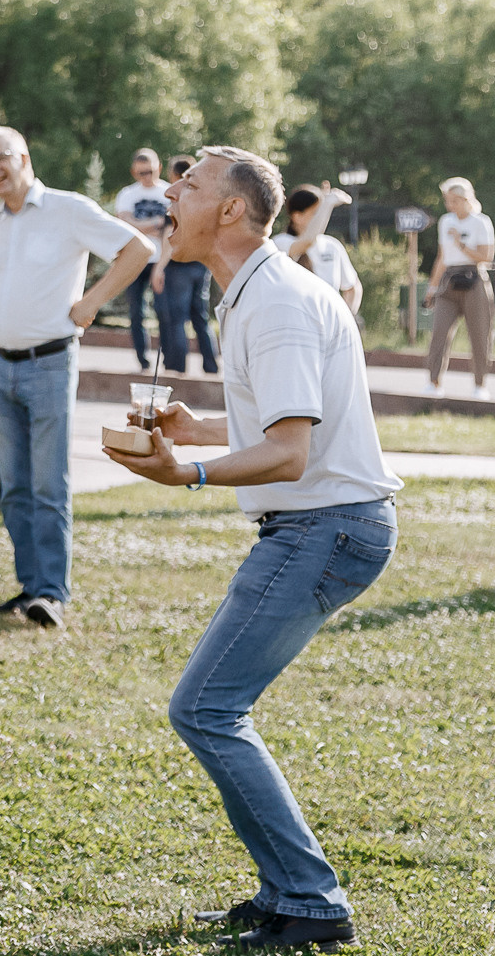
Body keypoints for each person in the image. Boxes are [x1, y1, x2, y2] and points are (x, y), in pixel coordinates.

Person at [103, 147, 400, 952]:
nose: (169, 191)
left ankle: (311, 900)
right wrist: (192, 429)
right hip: (320, 524)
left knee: (205, 708)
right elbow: (276, 423)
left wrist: (188, 470)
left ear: (231, 211)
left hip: (326, 525)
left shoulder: (272, 303)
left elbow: (290, 453)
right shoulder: (253, 291)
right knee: (212, 708)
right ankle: (285, 893)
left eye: (189, 185)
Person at [0, 125, 154, 631]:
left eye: (0, 157)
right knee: (16, 488)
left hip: (50, 362)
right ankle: (30, 587)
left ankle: (52, 593)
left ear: (24, 156)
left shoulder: (69, 209)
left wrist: (91, 301)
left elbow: (138, 250)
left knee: (49, 485)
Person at [426, 176, 492, 400]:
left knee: (480, 334)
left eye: (454, 200)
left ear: (465, 199)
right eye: (447, 200)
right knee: (439, 333)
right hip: (449, 281)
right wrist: (432, 288)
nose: (449, 205)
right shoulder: (445, 221)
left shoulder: (481, 222)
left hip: (474, 279)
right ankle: (434, 383)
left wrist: (461, 244)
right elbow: (441, 257)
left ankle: (480, 384)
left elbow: (486, 256)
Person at [159, 154, 221, 376]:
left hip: (179, 266)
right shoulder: (205, 199)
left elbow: (169, 235)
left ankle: (177, 367)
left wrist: (159, 268)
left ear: (176, 175)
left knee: (177, 319)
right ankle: (211, 366)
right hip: (201, 265)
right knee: (200, 318)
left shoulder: (178, 200)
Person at [113, 148, 172, 368]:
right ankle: (142, 359)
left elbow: (173, 228)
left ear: (159, 167)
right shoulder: (127, 194)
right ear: (133, 172)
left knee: (163, 311)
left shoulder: (169, 192)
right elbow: (124, 224)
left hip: (161, 259)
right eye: (141, 173)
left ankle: (166, 358)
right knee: (136, 311)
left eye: (149, 171)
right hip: (135, 259)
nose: (146, 176)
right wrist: (158, 223)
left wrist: (139, 227)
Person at [273, 185, 361, 319]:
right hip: (295, 324)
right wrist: (328, 203)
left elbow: (352, 287)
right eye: (316, 213)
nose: (322, 217)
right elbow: (306, 243)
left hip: (327, 326)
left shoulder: (331, 246)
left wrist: (345, 320)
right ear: (297, 216)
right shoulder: (280, 243)